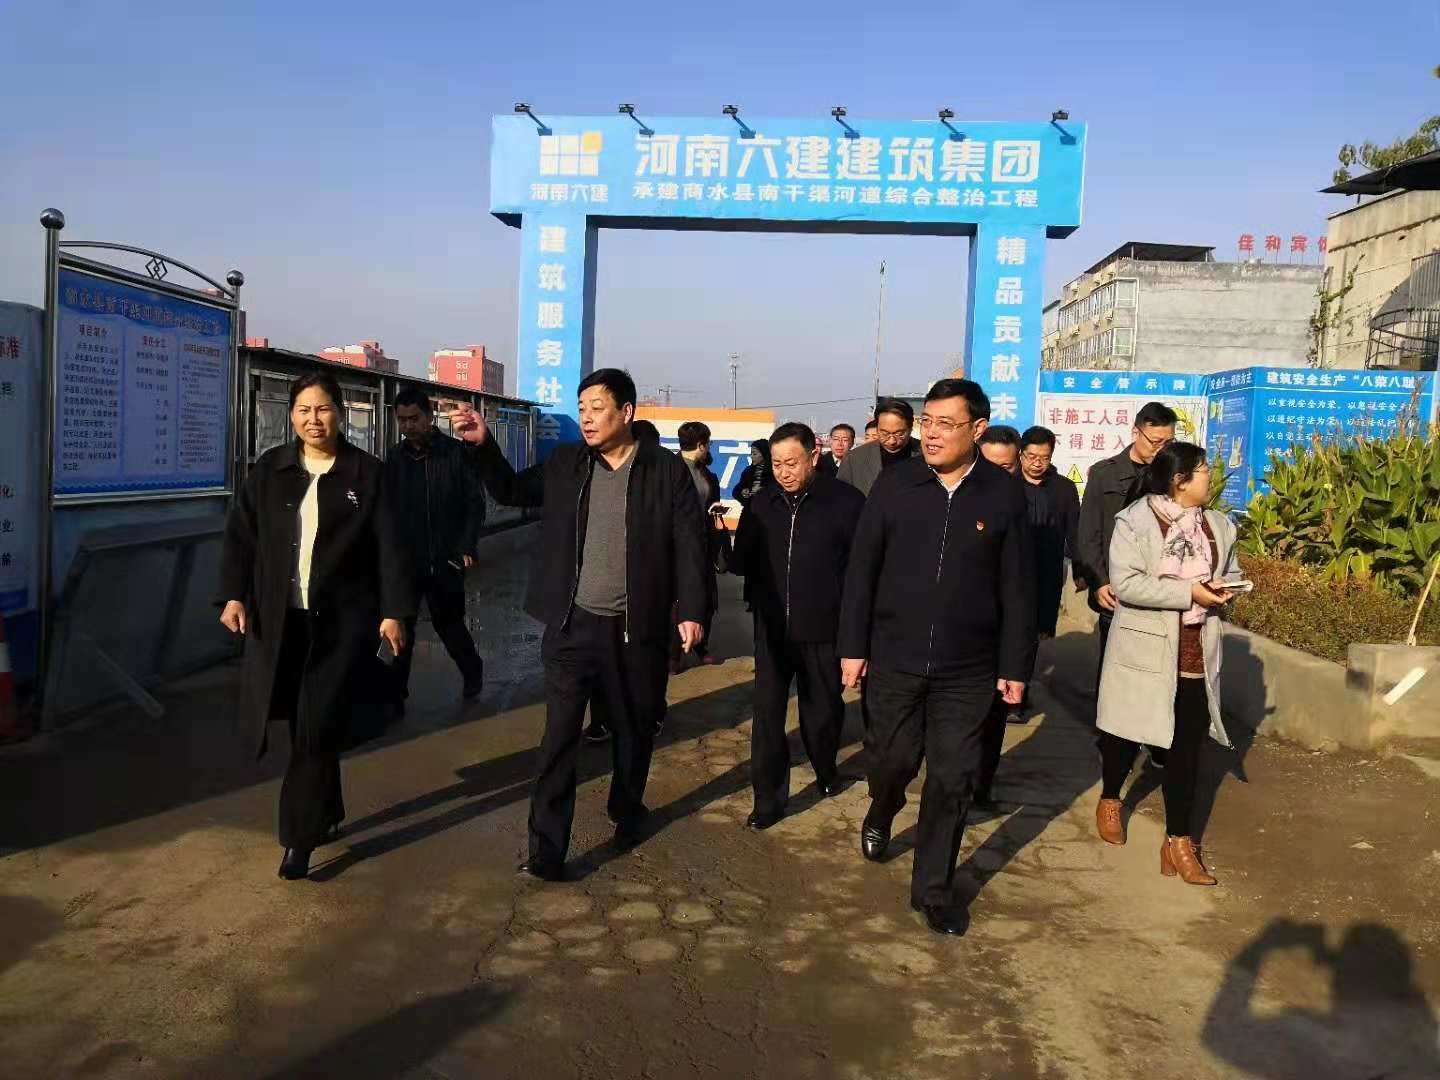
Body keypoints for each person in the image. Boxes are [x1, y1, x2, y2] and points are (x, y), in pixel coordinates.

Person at [450, 369, 708, 881]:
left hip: (637, 629)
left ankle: (627, 809)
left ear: (626, 412)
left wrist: (693, 610)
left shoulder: (665, 471)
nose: (586, 418)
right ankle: (546, 850)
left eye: (597, 408)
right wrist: (483, 445)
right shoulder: (567, 463)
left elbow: (689, 543)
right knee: (559, 739)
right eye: (582, 408)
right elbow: (511, 489)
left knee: (634, 730)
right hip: (573, 625)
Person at [839, 379, 1035, 936]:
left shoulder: (1003, 495)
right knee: (891, 760)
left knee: (952, 777)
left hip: (968, 669)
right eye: (928, 422)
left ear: (977, 429)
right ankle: (883, 806)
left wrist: (1014, 666)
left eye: (946, 424)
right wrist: (853, 647)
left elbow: (1018, 587)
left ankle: (933, 890)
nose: (931, 434)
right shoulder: (896, 484)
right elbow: (861, 570)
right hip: (894, 657)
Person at [217, 372, 414, 881]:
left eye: (323, 409)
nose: (314, 420)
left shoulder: (366, 474)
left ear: (340, 413)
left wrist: (394, 611)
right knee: (306, 725)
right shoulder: (271, 469)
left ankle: (297, 840)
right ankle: (328, 808)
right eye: (304, 410)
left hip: (341, 624)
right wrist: (234, 594)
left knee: (313, 726)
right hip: (281, 621)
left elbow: (391, 546)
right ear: (291, 416)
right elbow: (241, 535)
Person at [1094, 442, 1239, 887]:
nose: (1210, 476)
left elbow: (1232, 572)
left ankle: (1179, 841)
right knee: (1124, 735)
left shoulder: (1219, 526)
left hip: (1196, 652)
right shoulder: (1135, 521)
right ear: (1180, 480)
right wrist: (1188, 593)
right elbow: (1127, 584)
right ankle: (1111, 796)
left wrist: (1225, 588)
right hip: (1144, 648)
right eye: (1203, 469)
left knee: (1186, 750)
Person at [730, 422, 866, 829]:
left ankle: (825, 769)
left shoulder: (846, 502)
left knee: (822, 712)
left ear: (813, 456)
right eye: (776, 464)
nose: (784, 472)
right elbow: (743, 560)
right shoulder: (762, 503)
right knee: (767, 717)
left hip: (824, 628)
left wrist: (856, 635)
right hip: (772, 630)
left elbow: (860, 573)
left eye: (791, 463)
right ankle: (767, 800)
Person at [1077, 402, 1177, 768]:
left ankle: (1155, 738)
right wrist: (1100, 582)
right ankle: (1114, 738)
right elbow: (1089, 534)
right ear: (1136, 432)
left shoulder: (1173, 476)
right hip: (1115, 593)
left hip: (1159, 593)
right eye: (1154, 441)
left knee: (1158, 671)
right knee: (1116, 669)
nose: (1160, 449)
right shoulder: (1104, 474)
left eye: (1168, 442)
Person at [385, 386, 488, 707]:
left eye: (414, 418)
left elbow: (475, 504)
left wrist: (466, 546)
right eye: (402, 420)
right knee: (402, 627)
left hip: (446, 559)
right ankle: (395, 695)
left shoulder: (455, 453)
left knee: (449, 625)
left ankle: (472, 671)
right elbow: (386, 509)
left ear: (429, 417)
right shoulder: (395, 459)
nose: (408, 426)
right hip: (407, 562)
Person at [1018, 426, 1082, 641]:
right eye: (1031, 456)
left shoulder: (1064, 488)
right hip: (1014, 570)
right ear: (1021, 454)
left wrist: (1080, 570)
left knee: (1039, 632)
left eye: (1044, 458)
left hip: (1048, 570)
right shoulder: (1008, 485)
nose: (1037, 463)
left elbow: (1074, 531)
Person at [675, 420, 725, 671]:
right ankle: (673, 653)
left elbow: (709, 501)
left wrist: (714, 510)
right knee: (674, 597)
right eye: (708, 444)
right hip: (675, 544)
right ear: (702, 445)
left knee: (705, 595)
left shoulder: (706, 474)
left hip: (702, 541)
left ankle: (701, 646)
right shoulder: (670, 469)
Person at [837, 398, 920, 497]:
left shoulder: (926, 455)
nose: (892, 441)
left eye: (899, 434)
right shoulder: (853, 459)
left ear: (910, 428)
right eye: (885, 433)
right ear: (877, 428)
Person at [736, 440, 772, 508]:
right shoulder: (748, 471)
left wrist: (764, 491)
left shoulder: (775, 471)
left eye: (755, 454)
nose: (751, 456)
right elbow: (736, 491)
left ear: (764, 453)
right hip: (750, 511)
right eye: (751, 454)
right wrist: (743, 492)